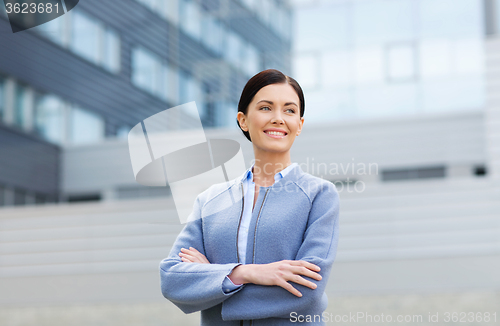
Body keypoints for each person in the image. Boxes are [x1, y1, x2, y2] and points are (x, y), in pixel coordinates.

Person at [159, 69, 340, 325]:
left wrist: (213, 279)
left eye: (289, 110)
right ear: (243, 120)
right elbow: (172, 280)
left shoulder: (318, 195)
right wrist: (247, 273)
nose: (278, 118)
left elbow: (306, 292)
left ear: (299, 125)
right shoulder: (210, 200)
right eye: (266, 108)